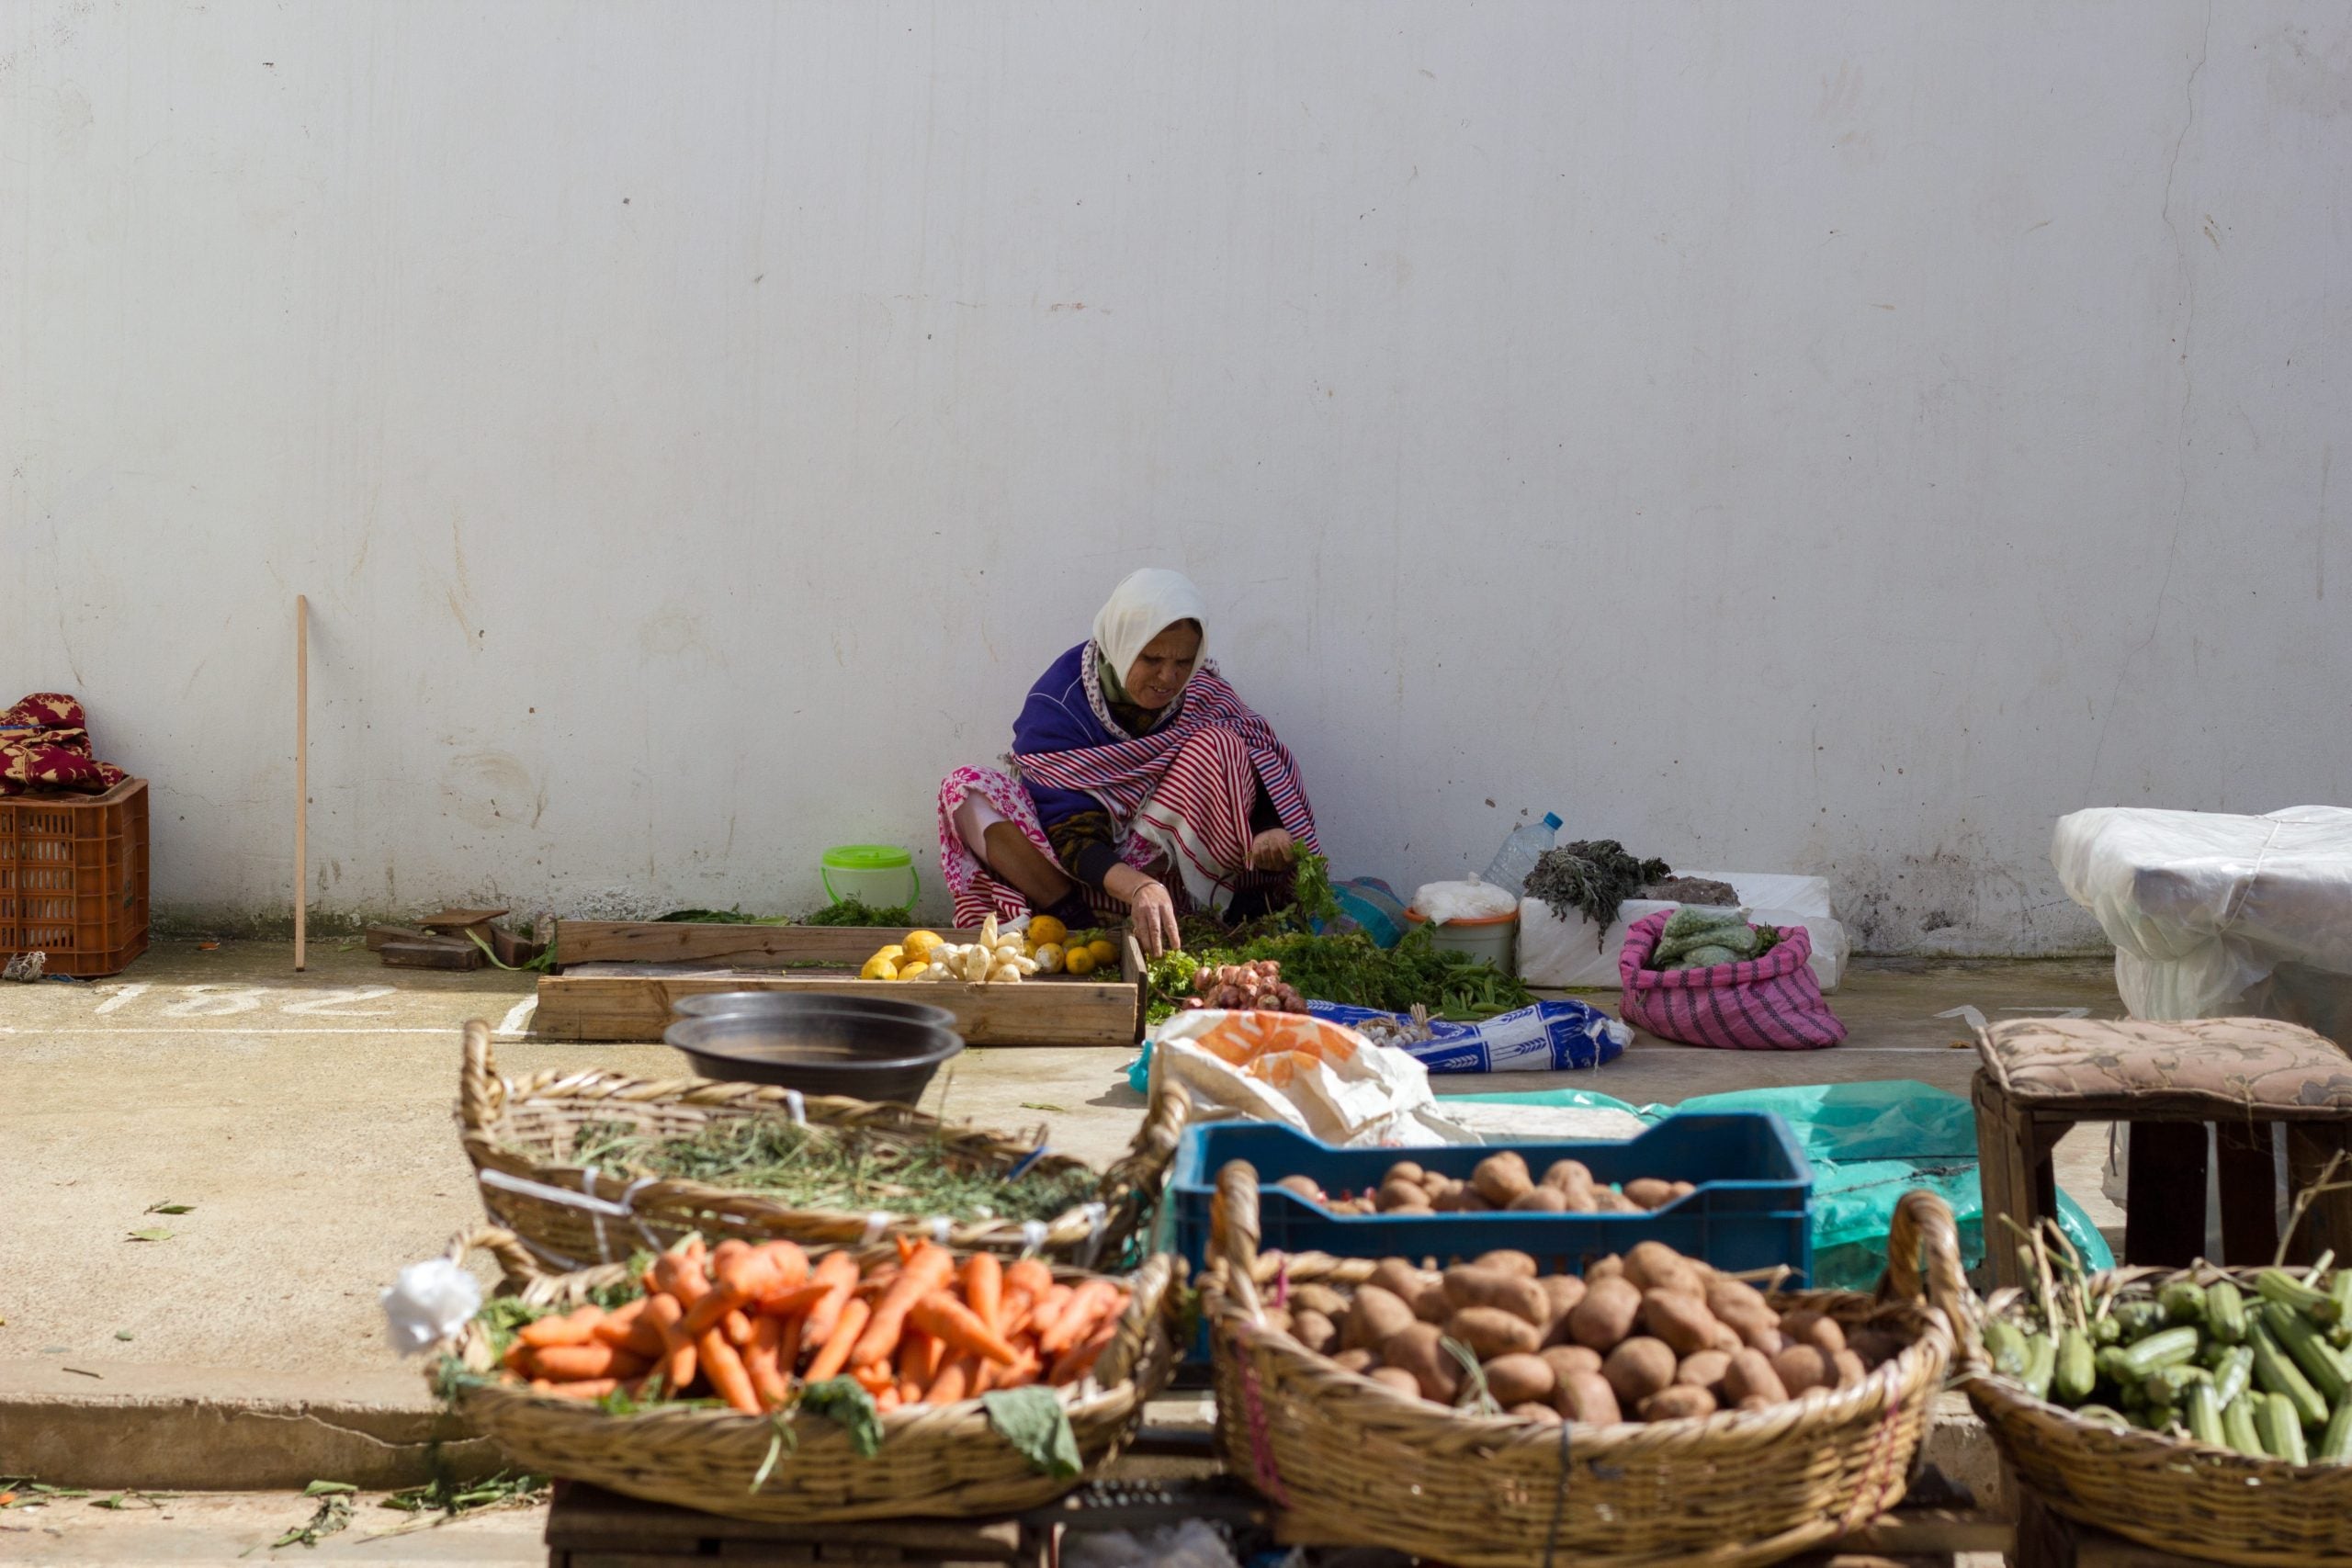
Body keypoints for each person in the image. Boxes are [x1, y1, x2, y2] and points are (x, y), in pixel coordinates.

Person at [936, 569, 1317, 956]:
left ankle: (1214, 916)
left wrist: (1267, 827)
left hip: (1170, 869)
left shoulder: (1200, 690)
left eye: (1184, 661)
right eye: (1151, 659)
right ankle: (1075, 920)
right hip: (1086, 874)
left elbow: (1255, 750)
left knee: (1220, 744)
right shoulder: (1060, 703)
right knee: (965, 789)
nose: (1168, 677)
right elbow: (1070, 833)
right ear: (1121, 644)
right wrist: (1136, 886)